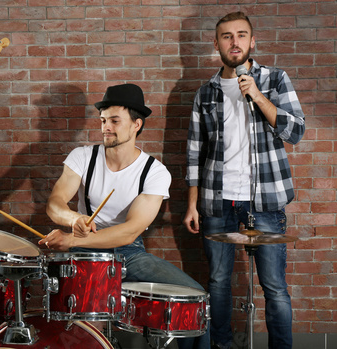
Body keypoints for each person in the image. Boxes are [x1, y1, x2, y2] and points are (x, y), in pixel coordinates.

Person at [39, 83, 210, 349]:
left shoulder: (154, 172)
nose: (106, 127)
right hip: (86, 252)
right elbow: (55, 203)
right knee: (83, 329)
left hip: (129, 251)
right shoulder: (83, 157)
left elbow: (131, 230)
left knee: (193, 299)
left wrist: (71, 240)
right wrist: (74, 220)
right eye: (103, 120)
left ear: (136, 125)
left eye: (115, 121)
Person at [183, 12, 305, 349]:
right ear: (217, 43)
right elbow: (194, 153)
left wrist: (257, 95)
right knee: (218, 282)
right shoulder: (205, 93)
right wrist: (192, 204)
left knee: (274, 286)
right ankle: (222, 345)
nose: (234, 42)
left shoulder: (274, 79)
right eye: (226, 36)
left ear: (253, 41)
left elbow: (295, 131)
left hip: (264, 201)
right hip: (216, 202)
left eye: (241, 35)